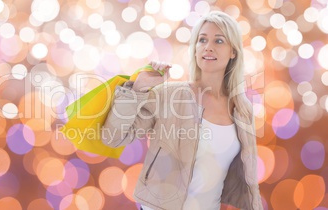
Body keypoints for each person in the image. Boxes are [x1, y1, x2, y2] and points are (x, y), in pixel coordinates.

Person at [102, 11, 262, 210]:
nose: (208, 47)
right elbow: (113, 137)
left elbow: (245, 177)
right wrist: (136, 90)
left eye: (219, 41)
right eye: (202, 40)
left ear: (233, 52)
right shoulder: (170, 95)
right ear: (195, 49)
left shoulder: (242, 108)